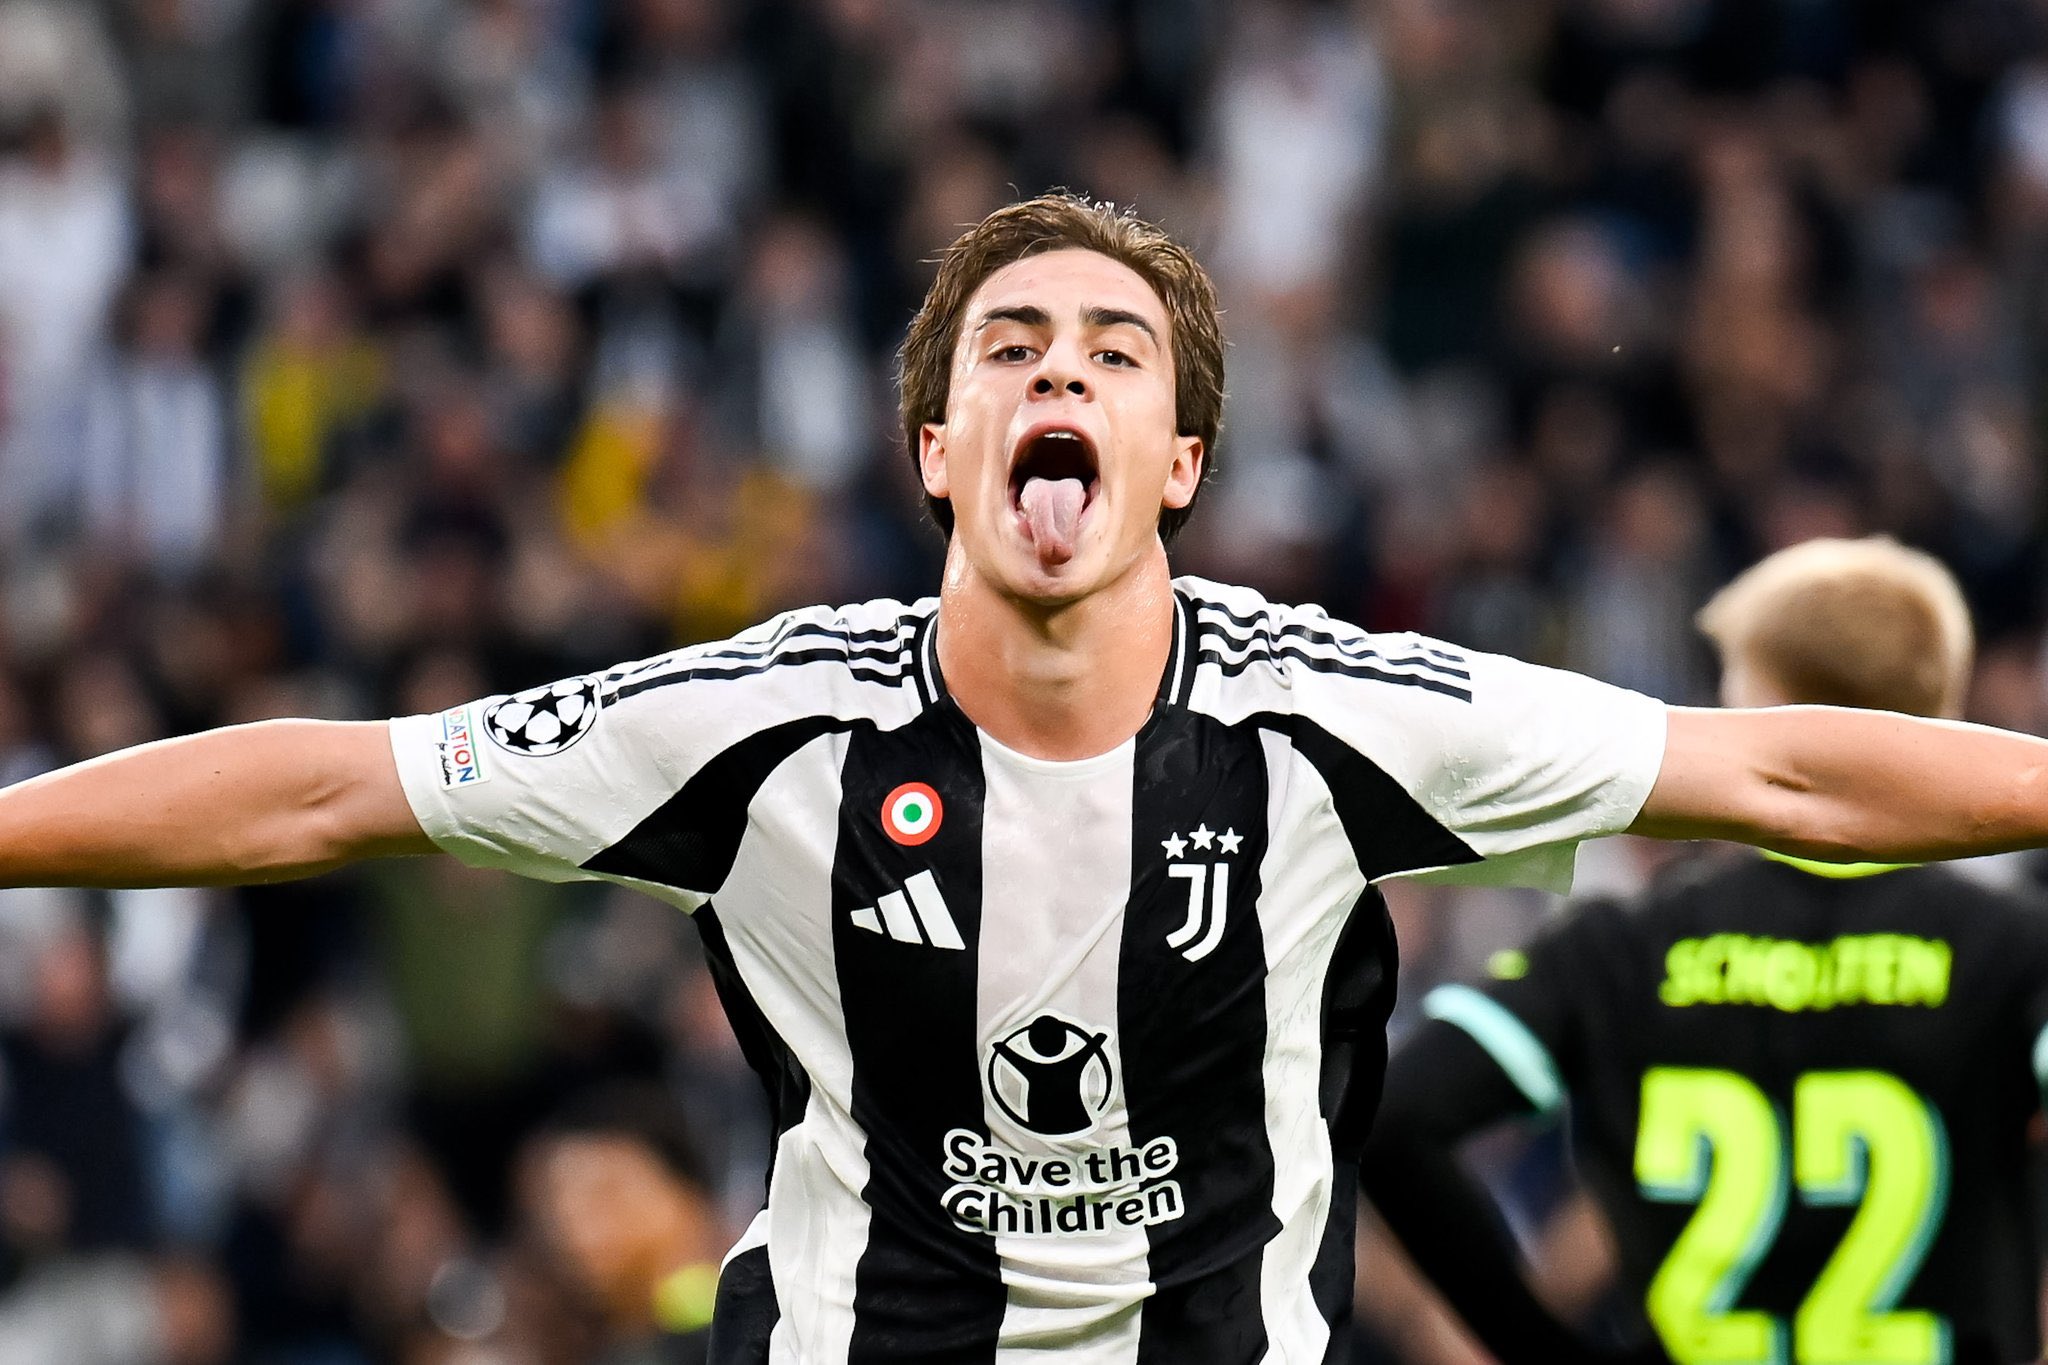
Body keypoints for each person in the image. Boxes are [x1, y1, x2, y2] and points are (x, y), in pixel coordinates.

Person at [3, 196, 2048, 1361]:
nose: (1057, 366)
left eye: (1111, 350)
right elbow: (331, 789)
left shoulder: (1333, 716)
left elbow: (1772, 770)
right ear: (934, 450)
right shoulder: (762, 727)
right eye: (1007, 345)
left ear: (1178, 463)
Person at [1361, 536, 2048, 1365]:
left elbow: (1395, 1118)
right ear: (1943, 714)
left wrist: (1537, 1349)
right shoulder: (2013, 949)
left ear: (1765, 713)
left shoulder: (1620, 947)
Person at [525, 1085, 727, 1365]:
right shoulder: (588, 1343)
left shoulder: (747, 1322)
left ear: (687, 1192)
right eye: (562, 1206)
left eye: (605, 1193)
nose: (579, 1226)